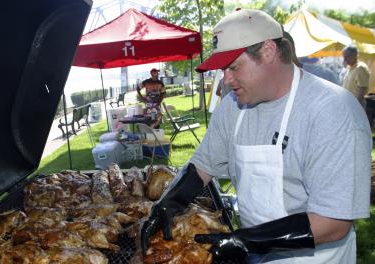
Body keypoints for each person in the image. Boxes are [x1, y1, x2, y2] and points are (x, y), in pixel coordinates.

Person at [140, 8, 371, 264]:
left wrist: (246, 240)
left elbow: (333, 221)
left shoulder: (332, 111)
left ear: (269, 51)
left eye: (234, 67)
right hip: (254, 250)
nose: (226, 80)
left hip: (316, 256)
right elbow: (202, 166)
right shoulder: (232, 107)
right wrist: (168, 203)